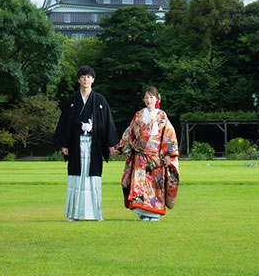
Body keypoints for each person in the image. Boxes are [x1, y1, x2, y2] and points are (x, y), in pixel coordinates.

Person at [53, 66, 118, 221]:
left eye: (89, 77)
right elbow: (65, 123)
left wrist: (108, 142)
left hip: (93, 145)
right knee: (76, 177)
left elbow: (107, 123)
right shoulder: (72, 101)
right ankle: (74, 214)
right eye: (83, 77)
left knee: (92, 177)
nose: (86, 79)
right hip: (76, 144)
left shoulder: (100, 100)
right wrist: (64, 144)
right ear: (79, 80)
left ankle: (95, 214)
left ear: (93, 80)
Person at [114, 86, 179, 221]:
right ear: (143, 99)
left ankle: (154, 213)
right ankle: (142, 212)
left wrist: (168, 154)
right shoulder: (138, 115)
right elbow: (129, 133)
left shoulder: (162, 116)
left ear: (157, 98)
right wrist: (120, 147)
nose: (149, 100)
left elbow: (169, 135)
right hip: (140, 157)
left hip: (156, 157)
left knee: (155, 186)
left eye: (151, 97)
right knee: (139, 185)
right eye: (146, 97)